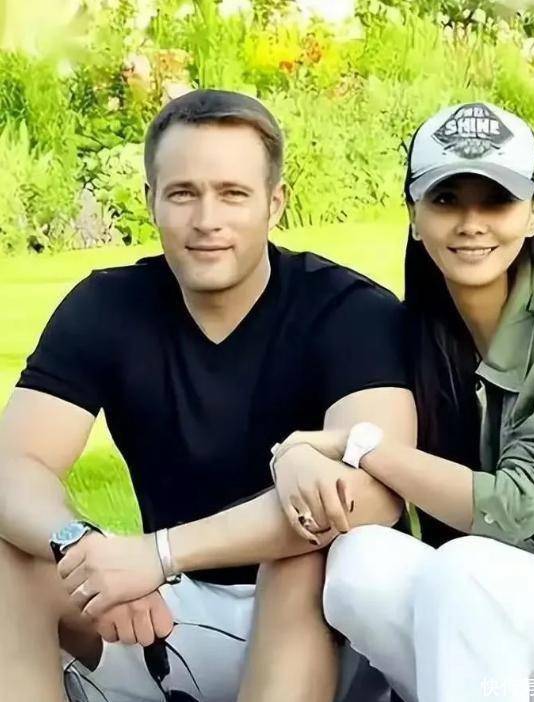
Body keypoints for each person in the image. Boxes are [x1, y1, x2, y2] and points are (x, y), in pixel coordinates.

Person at [0, 89, 417, 702]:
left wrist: (158, 554)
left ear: (275, 203)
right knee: (11, 553)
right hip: (169, 611)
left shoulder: (348, 310)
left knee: (305, 545)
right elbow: (14, 464)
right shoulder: (107, 306)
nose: (206, 220)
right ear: (150, 200)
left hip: (325, 623)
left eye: (232, 193)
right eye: (183, 194)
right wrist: (85, 547)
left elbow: (370, 493)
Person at [271, 102, 534, 702]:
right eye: (447, 199)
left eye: (497, 201)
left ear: (532, 213)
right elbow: (331, 461)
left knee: (467, 569)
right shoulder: (414, 335)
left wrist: (359, 445)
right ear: (414, 216)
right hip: (480, 623)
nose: (471, 223)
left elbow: (516, 504)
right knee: (358, 562)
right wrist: (295, 456)